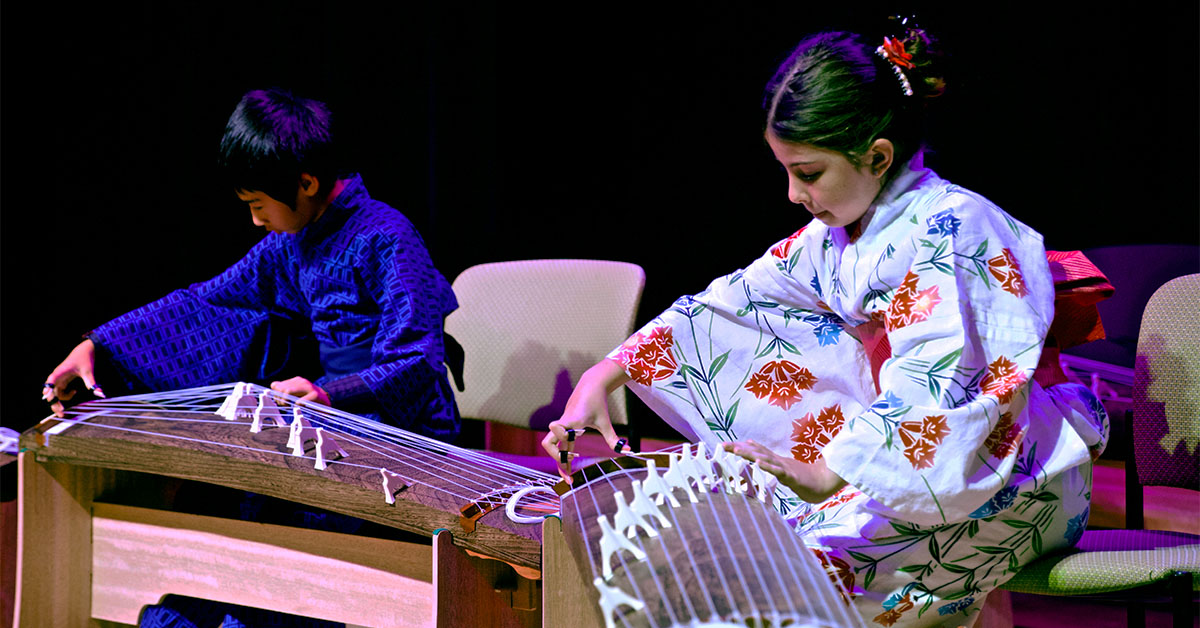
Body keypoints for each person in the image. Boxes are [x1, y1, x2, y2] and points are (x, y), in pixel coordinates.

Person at [543, 24, 1108, 628]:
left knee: (799, 576)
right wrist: (604, 378)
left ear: (878, 157)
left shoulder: (957, 227)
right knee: (745, 548)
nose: (792, 193)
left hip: (1014, 476)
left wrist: (826, 472)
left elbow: (941, 383)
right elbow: (734, 302)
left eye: (807, 173)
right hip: (903, 468)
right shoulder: (840, 235)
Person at [41, 87, 461, 443]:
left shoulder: (387, 234)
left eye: (258, 204)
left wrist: (330, 394)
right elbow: (208, 302)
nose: (257, 221)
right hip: (338, 416)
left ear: (307, 183)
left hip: (406, 426)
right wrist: (101, 345)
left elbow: (417, 360)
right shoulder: (291, 243)